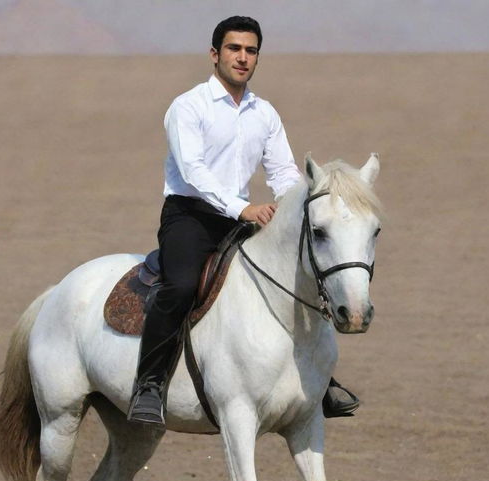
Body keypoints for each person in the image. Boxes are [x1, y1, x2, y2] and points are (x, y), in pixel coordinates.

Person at [128, 16, 359, 425]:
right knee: (180, 286)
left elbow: (284, 172)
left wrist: (300, 201)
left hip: (241, 217)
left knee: (302, 277)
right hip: (190, 216)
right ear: (215, 55)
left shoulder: (264, 114)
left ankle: (321, 383)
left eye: (251, 51)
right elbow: (194, 171)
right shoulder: (188, 107)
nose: (242, 57)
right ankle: (148, 384)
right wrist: (242, 209)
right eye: (234, 49)